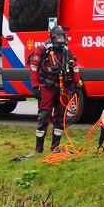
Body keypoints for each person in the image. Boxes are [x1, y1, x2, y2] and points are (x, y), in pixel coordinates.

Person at [29, 24, 80, 153]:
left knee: (60, 117)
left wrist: (77, 86)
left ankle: (55, 146)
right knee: (44, 115)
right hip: (47, 86)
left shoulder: (66, 51)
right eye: (58, 36)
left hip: (62, 87)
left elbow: (74, 67)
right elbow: (34, 68)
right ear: (52, 37)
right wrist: (35, 86)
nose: (60, 38)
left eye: (62, 36)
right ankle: (39, 148)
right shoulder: (43, 49)